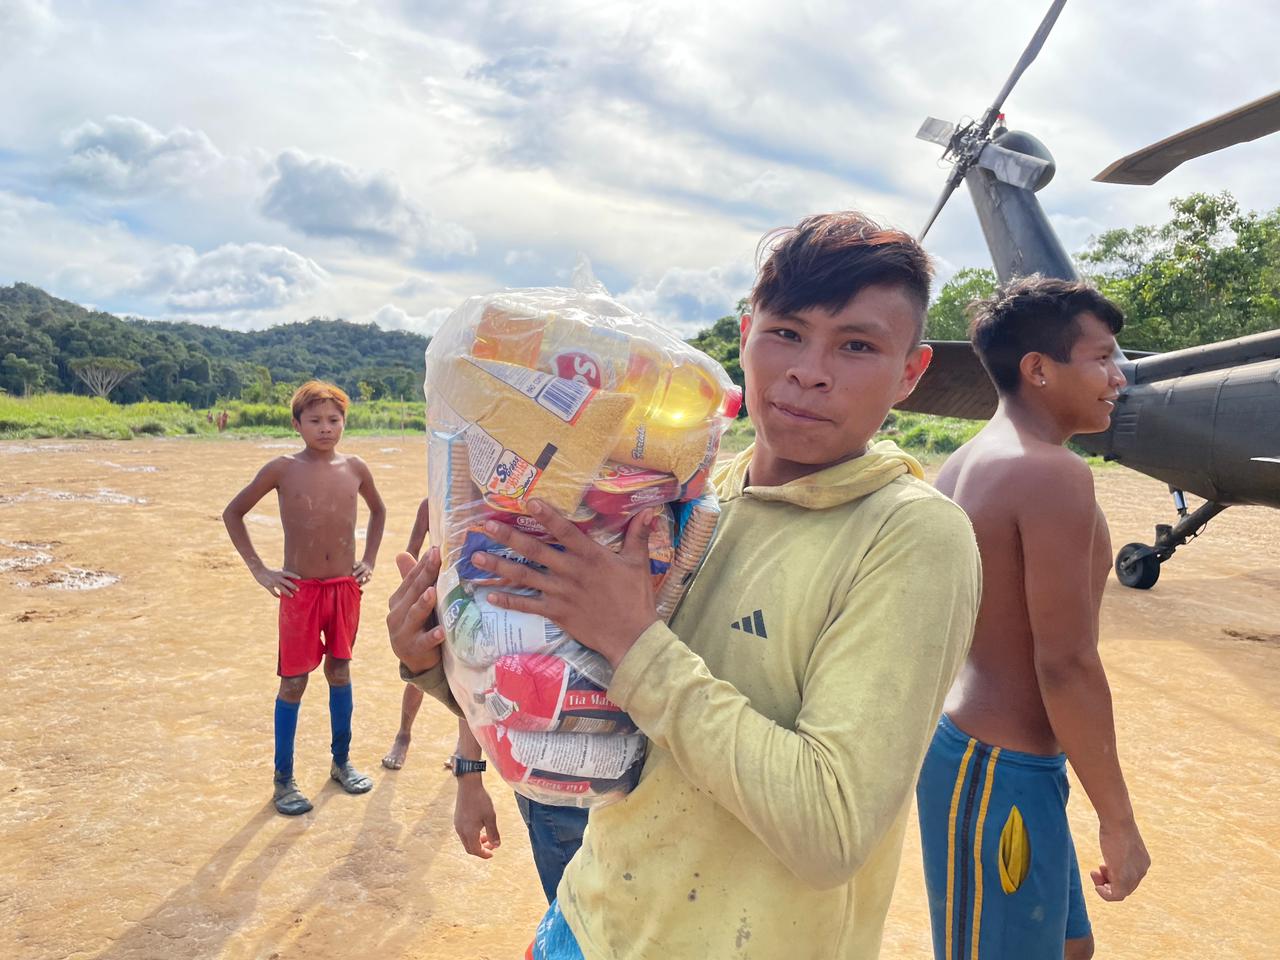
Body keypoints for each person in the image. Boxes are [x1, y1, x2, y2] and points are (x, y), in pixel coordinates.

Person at [386, 212, 983, 959]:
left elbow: (829, 831)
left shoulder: (911, 535)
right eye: (788, 333)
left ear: (910, 373)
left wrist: (632, 639)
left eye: (857, 346)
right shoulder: (690, 497)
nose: (810, 370)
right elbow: (599, 718)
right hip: (584, 922)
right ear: (744, 336)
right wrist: (435, 661)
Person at [917, 276, 1150, 960]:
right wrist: (1118, 821)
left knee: (1072, 949)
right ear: (1039, 369)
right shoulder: (1051, 474)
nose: (1118, 375)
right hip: (1001, 772)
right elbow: (1065, 661)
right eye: (1102, 357)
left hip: (992, 758)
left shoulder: (969, 460)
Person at [383, 497, 589, 904]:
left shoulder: (690, 494)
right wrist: (469, 771)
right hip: (552, 769)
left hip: (654, 776)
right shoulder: (482, 492)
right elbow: (485, 653)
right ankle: (403, 732)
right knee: (578, 923)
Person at [223, 380, 387, 816]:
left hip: (343, 590)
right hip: (300, 592)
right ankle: (284, 779)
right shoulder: (282, 468)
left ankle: (342, 762)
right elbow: (233, 512)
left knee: (339, 670)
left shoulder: (355, 467)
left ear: (344, 423)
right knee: (293, 682)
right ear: (297, 424)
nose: (325, 428)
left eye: (334, 420)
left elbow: (379, 510)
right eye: (314, 420)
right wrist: (261, 570)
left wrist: (368, 559)